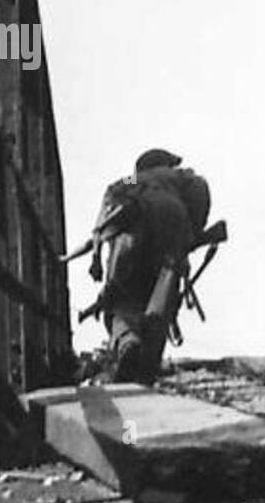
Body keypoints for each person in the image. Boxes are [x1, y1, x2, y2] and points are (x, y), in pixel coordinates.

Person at [86, 148, 211, 384]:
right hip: (175, 223)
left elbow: (112, 191)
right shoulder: (178, 177)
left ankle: (127, 341)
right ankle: (147, 370)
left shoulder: (137, 179)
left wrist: (96, 252)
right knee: (163, 302)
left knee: (119, 300)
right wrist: (192, 233)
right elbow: (199, 187)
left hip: (137, 222)